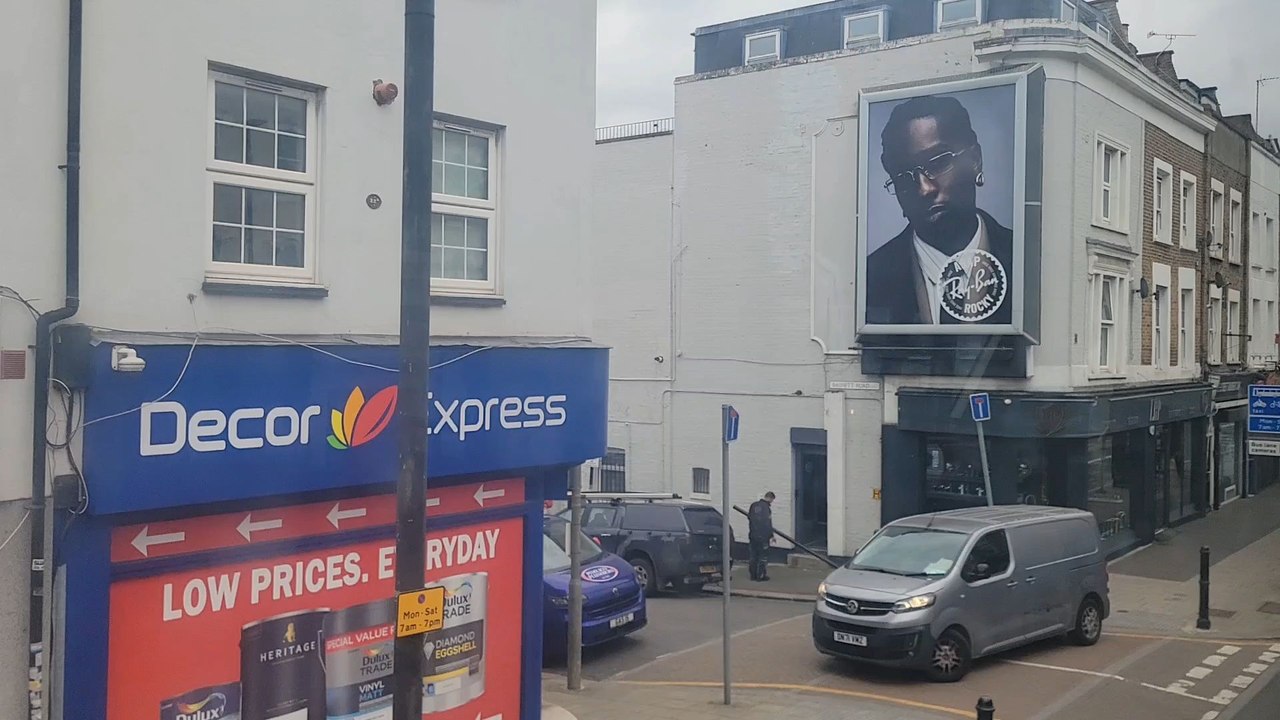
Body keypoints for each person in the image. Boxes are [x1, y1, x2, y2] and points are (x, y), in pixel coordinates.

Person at [865, 94, 1014, 327]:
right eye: (903, 176)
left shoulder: (1023, 259)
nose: (924, 189)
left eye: (938, 163)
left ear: (975, 160)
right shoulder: (870, 279)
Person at [746, 491, 775, 582]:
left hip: (753, 535)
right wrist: (771, 535)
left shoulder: (753, 505)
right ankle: (760, 576)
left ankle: (753, 575)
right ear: (770, 498)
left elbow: (749, 518)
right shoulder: (766, 508)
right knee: (763, 557)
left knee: (753, 556)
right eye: (772, 500)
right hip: (763, 536)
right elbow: (767, 523)